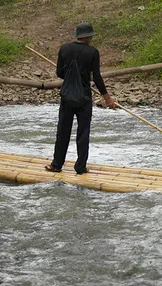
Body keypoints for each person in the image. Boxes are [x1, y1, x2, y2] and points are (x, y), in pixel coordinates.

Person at [45, 23, 118, 174]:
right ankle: (80, 167)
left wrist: (72, 76)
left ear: (77, 35)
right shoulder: (93, 52)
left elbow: (59, 73)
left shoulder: (64, 48)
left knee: (63, 130)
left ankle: (56, 165)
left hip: (67, 96)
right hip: (84, 97)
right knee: (83, 132)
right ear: (89, 36)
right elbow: (96, 77)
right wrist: (107, 98)